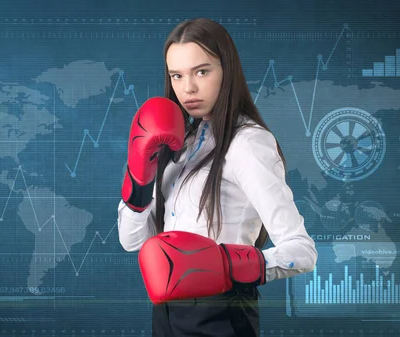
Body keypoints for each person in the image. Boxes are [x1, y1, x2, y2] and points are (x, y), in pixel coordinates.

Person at [117, 18, 317, 337]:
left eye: (202, 71)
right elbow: (133, 243)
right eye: (177, 76)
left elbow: (302, 252)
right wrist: (138, 179)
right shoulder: (175, 143)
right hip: (166, 313)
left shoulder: (248, 143)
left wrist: (224, 266)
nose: (188, 88)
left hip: (223, 313)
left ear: (227, 69)